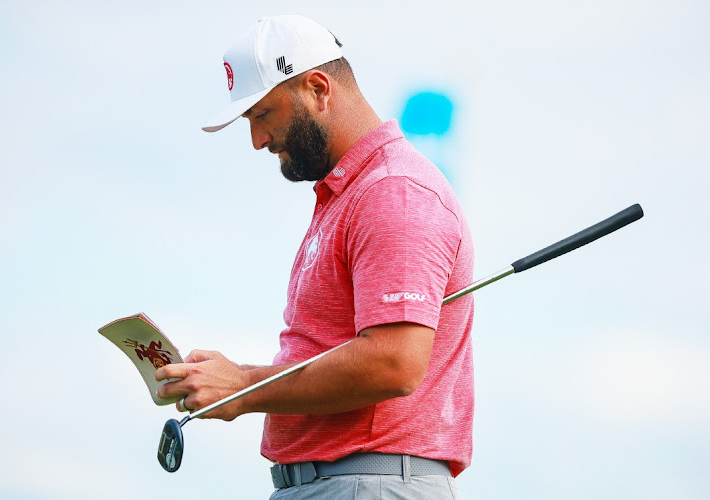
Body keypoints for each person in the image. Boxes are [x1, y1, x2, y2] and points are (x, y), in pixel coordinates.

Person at [155, 14, 475, 499]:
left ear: (318, 89)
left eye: (263, 115)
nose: (257, 140)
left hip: (368, 484)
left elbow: (393, 362)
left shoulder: (394, 192)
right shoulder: (351, 194)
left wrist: (242, 385)